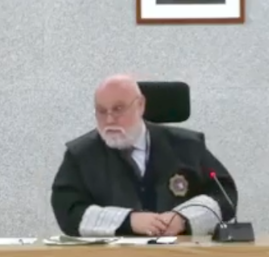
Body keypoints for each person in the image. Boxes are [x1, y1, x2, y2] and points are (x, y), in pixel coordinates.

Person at [50, 74, 237, 237]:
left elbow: (224, 195)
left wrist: (183, 218)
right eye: (101, 111)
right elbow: (68, 212)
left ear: (140, 105)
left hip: (184, 256)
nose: (109, 119)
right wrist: (129, 221)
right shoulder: (81, 155)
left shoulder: (187, 146)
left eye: (118, 109)